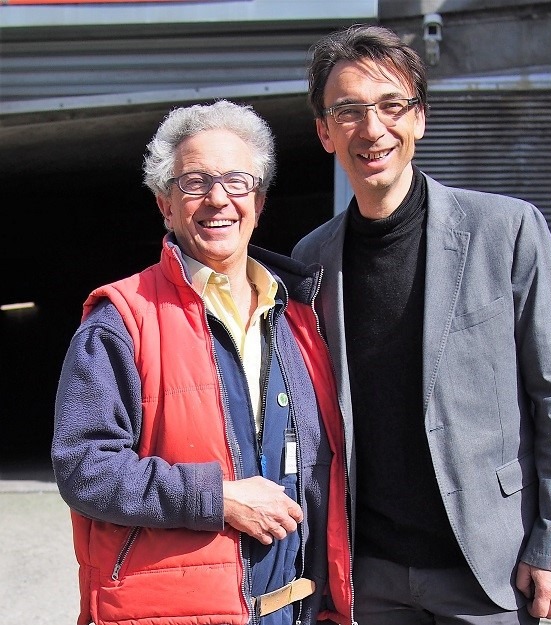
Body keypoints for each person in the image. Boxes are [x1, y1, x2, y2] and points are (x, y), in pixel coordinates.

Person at [292, 24, 551, 625]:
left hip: (491, 568)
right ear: (325, 131)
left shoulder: (507, 230)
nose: (372, 129)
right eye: (349, 111)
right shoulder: (311, 259)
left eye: (391, 105)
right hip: (369, 575)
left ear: (420, 118)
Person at [51, 100, 353, 625]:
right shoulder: (121, 320)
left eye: (237, 181)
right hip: (177, 612)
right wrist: (216, 498)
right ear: (165, 205)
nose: (218, 198)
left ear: (258, 200)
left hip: (298, 610)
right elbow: (83, 467)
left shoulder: (300, 315)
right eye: (194, 183)